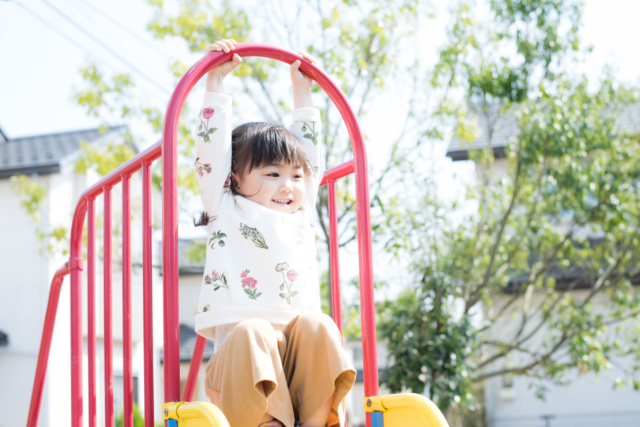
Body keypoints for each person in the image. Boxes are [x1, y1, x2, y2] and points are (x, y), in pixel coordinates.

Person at [192, 39, 356, 427]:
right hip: (242, 367)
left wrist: (303, 91)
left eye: (294, 176)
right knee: (253, 332)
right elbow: (210, 152)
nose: (288, 186)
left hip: (297, 362)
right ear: (234, 179)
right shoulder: (225, 205)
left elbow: (310, 159)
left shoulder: (301, 214)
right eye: (272, 175)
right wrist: (215, 80)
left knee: (320, 325)